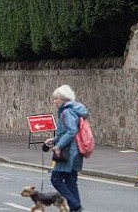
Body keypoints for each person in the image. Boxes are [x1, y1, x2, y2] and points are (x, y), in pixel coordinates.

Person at [44, 84, 88, 212]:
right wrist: (54, 140)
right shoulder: (75, 110)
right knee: (70, 180)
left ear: (64, 99)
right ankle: (76, 208)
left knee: (56, 179)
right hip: (76, 151)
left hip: (68, 152)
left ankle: (75, 206)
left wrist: (58, 145)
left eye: (56, 99)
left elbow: (71, 131)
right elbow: (67, 132)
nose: (54, 101)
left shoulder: (67, 111)